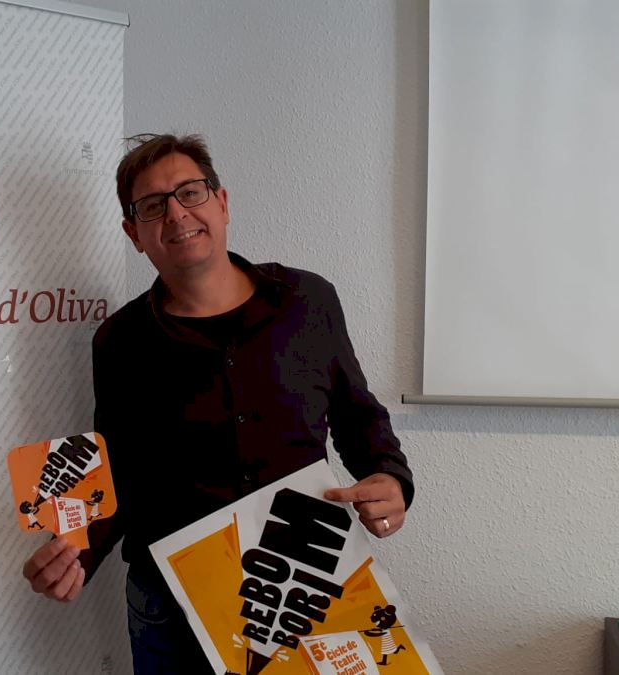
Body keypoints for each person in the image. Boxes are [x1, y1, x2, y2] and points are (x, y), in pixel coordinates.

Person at [21, 133, 413, 673]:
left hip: (302, 588)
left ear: (222, 203)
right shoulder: (120, 341)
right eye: (152, 206)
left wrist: (390, 478)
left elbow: (358, 415)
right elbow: (117, 472)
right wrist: (74, 554)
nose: (176, 213)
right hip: (173, 606)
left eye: (190, 192)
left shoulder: (308, 301)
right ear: (134, 234)